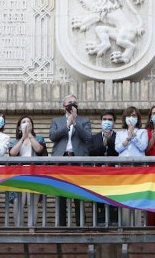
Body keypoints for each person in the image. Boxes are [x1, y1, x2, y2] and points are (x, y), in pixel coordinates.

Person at [49, 94, 92, 226]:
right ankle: (61, 226)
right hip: (61, 160)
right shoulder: (57, 121)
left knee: (78, 194)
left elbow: (88, 137)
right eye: (70, 102)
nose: (73, 104)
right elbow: (52, 136)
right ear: (64, 107)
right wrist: (67, 124)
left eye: (75, 102)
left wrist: (75, 122)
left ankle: (80, 225)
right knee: (61, 194)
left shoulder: (84, 121)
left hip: (77, 160)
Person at [9, 116, 47, 226]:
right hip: (18, 175)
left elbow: (39, 149)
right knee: (17, 202)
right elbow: (12, 153)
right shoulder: (14, 141)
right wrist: (22, 138)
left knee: (32, 202)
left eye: (28, 122)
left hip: (34, 174)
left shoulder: (39, 139)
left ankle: (31, 227)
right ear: (19, 127)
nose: (26, 123)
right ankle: (18, 228)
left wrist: (29, 135)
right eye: (24, 122)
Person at [89, 111, 119, 226]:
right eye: (105, 119)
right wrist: (104, 143)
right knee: (98, 200)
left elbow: (118, 151)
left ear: (114, 123)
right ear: (101, 122)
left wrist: (110, 141)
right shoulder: (94, 137)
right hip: (98, 176)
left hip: (114, 176)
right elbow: (91, 152)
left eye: (110, 120)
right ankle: (99, 222)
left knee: (113, 199)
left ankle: (114, 221)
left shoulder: (118, 137)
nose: (107, 122)